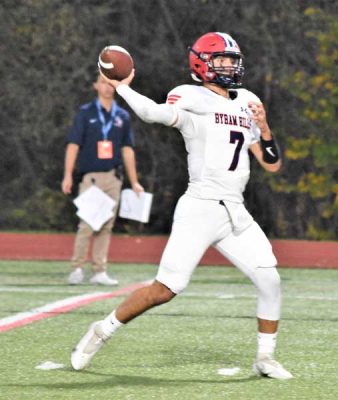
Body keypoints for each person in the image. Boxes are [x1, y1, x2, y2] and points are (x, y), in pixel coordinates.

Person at [71, 32, 293, 379]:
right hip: (201, 207)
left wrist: (264, 129)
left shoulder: (247, 100)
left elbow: (272, 163)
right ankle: (103, 329)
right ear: (201, 63)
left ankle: (265, 358)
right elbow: (151, 113)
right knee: (166, 289)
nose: (230, 65)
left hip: (235, 211)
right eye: (221, 59)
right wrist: (123, 87)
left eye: (232, 59)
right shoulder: (191, 97)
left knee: (270, 280)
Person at [62, 74, 144, 286]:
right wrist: (68, 175)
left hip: (114, 177)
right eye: (103, 83)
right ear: (95, 85)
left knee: (106, 225)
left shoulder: (122, 116)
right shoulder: (85, 113)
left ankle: (99, 270)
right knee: (87, 224)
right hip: (92, 178)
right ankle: (77, 268)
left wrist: (134, 181)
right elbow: (73, 145)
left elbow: (127, 149)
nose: (108, 87)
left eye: (111, 83)